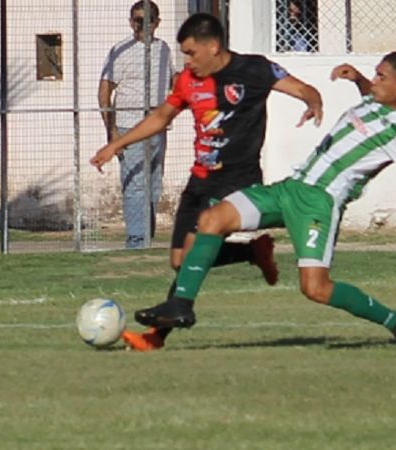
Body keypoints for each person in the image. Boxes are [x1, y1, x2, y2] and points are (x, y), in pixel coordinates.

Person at [130, 51, 396, 350]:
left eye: (381, 77)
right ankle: (180, 305)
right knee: (212, 219)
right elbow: (369, 92)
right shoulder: (374, 100)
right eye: (375, 75)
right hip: (290, 189)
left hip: (318, 204)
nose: (374, 81)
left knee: (315, 288)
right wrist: (358, 79)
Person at [90, 13, 324, 351]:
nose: (187, 61)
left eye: (191, 53)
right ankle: (253, 252)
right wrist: (116, 144)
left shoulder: (255, 69)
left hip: (236, 179)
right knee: (178, 260)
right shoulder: (188, 81)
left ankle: (156, 337)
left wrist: (313, 102)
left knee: (192, 253)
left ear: (213, 46)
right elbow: (162, 116)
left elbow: (302, 88)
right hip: (200, 179)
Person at [99, 1, 175, 249]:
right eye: (137, 20)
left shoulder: (163, 49)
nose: (142, 26)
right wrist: (112, 132)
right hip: (129, 127)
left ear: (157, 23)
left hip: (157, 128)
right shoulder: (120, 50)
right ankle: (136, 240)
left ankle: (147, 237)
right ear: (131, 22)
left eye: (148, 20)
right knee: (134, 184)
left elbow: (172, 81)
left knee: (153, 184)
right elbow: (105, 92)